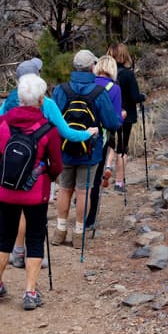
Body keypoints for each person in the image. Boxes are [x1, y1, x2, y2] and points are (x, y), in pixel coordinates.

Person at [0, 58, 96, 268]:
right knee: (33, 215)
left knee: (16, 213)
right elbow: (66, 133)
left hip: (10, 171)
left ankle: (18, 252)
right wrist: (87, 134)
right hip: (37, 172)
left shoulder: (10, 101)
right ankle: (31, 259)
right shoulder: (46, 104)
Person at [0, 74, 62, 310]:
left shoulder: (3, 123)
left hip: (6, 190)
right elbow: (57, 165)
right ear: (41, 99)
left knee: (5, 235)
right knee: (35, 238)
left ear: (19, 98)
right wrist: (46, 172)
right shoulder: (48, 129)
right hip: (35, 192)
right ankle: (30, 292)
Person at [50, 49, 123, 250]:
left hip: (65, 148)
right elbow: (111, 123)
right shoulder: (98, 93)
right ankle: (79, 233)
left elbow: (52, 120)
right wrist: (120, 119)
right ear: (92, 67)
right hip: (90, 151)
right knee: (84, 192)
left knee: (64, 189)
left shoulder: (61, 90)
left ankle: (60, 231)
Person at [85, 55, 124, 231]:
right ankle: (90, 218)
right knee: (95, 178)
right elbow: (114, 120)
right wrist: (122, 117)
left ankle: (78, 207)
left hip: (81, 133)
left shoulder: (88, 84)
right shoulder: (114, 89)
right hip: (101, 136)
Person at [103, 42, 146, 192]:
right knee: (123, 148)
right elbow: (135, 96)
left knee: (109, 143)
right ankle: (119, 182)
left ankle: (107, 166)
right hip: (126, 115)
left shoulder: (105, 75)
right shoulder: (128, 74)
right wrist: (142, 97)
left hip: (108, 115)